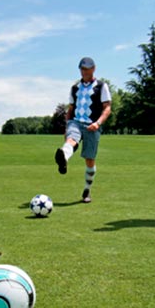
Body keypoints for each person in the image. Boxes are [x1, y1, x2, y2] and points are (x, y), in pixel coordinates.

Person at [54, 57, 112, 203]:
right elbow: (71, 109)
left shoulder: (101, 86)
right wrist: (67, 125)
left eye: (86, 69)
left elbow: (107, 108)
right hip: (76, 122)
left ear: (93, 69)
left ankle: (87, 190)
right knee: (71, 139)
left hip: (92, 125)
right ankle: (64, 158)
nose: (84, 72)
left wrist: (98, 123)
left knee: (90, 160)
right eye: (82, 69)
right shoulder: (75, 88)